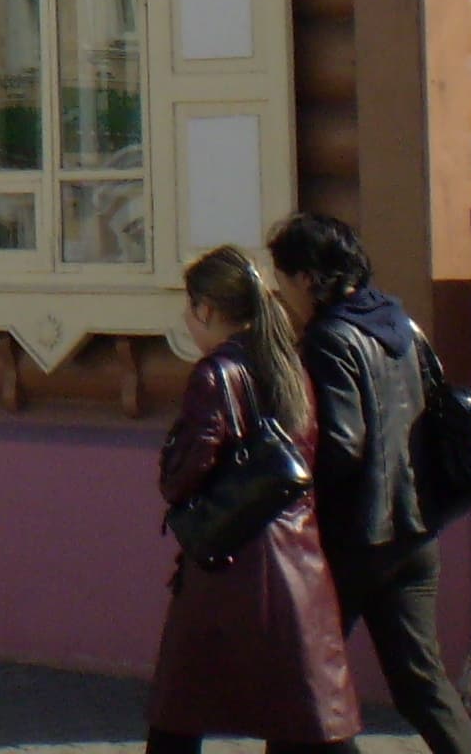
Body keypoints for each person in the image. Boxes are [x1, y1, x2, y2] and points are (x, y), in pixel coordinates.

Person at [268, 212, 471, 754]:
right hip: (415, 532)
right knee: (423, 686)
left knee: (303, 680)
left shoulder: (328, 339)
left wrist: (296, 493)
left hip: (353, 541)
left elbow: (343, 443)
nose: (278, 289)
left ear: (305, 277)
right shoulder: (401, 324)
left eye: (281, 275)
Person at [147, 243, 362, 754]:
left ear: (206, 309)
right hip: (298, 563)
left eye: (189, 307)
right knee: (305, 717)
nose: (187, 318)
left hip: (228, 565)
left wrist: (172, 457)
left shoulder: (216, 374)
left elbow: (183, 475)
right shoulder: (288, 364)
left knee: (178, 715)